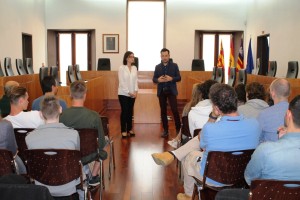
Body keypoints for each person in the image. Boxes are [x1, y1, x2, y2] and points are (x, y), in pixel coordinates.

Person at [175, 83, 260, 200]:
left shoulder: (210, 129)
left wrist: (213, 116)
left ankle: (188, 195)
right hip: (241, 176)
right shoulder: (255, 124)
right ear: (236, 101)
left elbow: (202, 144)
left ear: (216, 108)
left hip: (213, 178)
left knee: (189, 155)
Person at [215, 95, 300, 200]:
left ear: (288, 114)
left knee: (222, 195)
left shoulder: (266, 150)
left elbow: (250, 179)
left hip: (268, 196)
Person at [25, 95, 81, 198]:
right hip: (68, 186)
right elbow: (77, 158)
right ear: (60, 110)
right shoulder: (73, 134)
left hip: (41, 187)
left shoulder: (29, 138)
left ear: (41, 114)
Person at [152, 80, 217, 166]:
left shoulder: (193, 111)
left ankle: (173, 154)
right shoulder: (221, 111)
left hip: (209, 148)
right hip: (210, 146)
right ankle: (174, 153)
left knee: (193, 149)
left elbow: (193, 134)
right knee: (200, 138)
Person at [60, 80, 107, 186]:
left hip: (67, 154)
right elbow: (101, 143)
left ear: (70, 94)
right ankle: (93, 176)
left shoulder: (61, 115)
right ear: (85, 95)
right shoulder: (94, 116)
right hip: (88, 155)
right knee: (104, 144)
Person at [153, 48, 181, 138]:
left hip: (171, 91)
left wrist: (171, 78)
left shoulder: (174, 65)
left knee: (175, 110)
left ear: (169, 56)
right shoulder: (157, 67)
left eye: (166, 55)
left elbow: (179, 77)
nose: (164, 57)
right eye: (163, 56)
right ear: (160, 56)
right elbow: (154, 79)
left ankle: (178, 129)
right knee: (163, 111)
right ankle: (165, 130)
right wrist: (158, 80)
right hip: (161, 91)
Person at [167, 82, 203, 148]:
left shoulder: (188, 106)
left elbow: (184, 122)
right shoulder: (210, 108)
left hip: (188, 135)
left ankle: (177, 139)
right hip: (202, 136)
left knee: (183, 124)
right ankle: (177, 139)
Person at [257, 78, 290, 142]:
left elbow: (257, 138)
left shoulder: (264, 114)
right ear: (289, 93)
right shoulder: (296, 112)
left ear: (272, 93)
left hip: (268, 151)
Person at [118, 51, 138, 138]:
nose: (133, 58)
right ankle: (123, 130)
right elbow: (122, 82)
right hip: (123, 94)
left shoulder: (134, 68)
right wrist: (128, 92)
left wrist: (136, 91)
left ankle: (129, 129)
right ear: (126, 58)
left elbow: (136, 80)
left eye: (133, 56)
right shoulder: (122, 68)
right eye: (131, 56)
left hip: (133, 94)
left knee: (130, 111)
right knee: (125, 111)